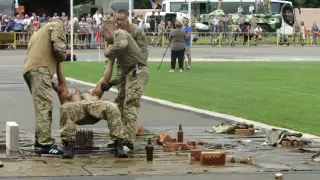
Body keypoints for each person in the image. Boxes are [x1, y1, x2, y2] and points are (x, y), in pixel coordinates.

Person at [52, 63, 130, 159]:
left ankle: (118, 144)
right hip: (77, 110)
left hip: (95, 108)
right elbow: (61, 79)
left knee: (112, 106)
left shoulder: (92, 93)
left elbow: (105, 79)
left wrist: (110, 60)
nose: (76, 90)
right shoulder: (68, 97)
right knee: (66, 107)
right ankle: (68, 145)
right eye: (74, 90)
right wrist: (58, 62)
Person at [102, 21, 149, 151]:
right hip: (130, 72)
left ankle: (128, 142)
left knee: (130, 105)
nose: (105, 40)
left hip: (137, 72)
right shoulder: (118, 43)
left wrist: (107, 52)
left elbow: (121, 45)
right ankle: (119, 138)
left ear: (107, 32)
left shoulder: (120, 33)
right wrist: (112, 82)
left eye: (104, 36)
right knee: (119, 105)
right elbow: (122, 72)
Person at [23, 18, 67, 156]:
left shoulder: (37, 34)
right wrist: (63, 54)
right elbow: (59, 50)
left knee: (40, 106)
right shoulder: (55, 25)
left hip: (30, 70)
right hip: (40, 70)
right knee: (44, 107)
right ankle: (46, 144)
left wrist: (53, 86)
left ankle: (40, 139)